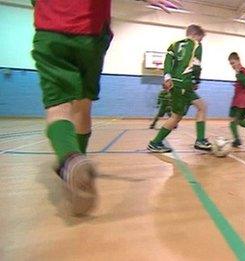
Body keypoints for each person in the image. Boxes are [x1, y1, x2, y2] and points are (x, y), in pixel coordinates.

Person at [31, 0, 182, 215]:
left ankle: (71, 160)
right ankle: (79, 169)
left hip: (50, 28)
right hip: (91, 34)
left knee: (58, 107)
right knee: (83, 106)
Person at [147, 24, 212, 153]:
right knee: (176, 117)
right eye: (200, 38)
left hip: (177, 83)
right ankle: (155, 143)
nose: (200, 41)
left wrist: (167, 77)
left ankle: (200, 140)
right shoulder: (196, 45)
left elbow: (167, 60)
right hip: (184, 83)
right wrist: (196, 80)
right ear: (195, 35)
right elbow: (197, 65)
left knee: (202, 106)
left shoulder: (175, 44)